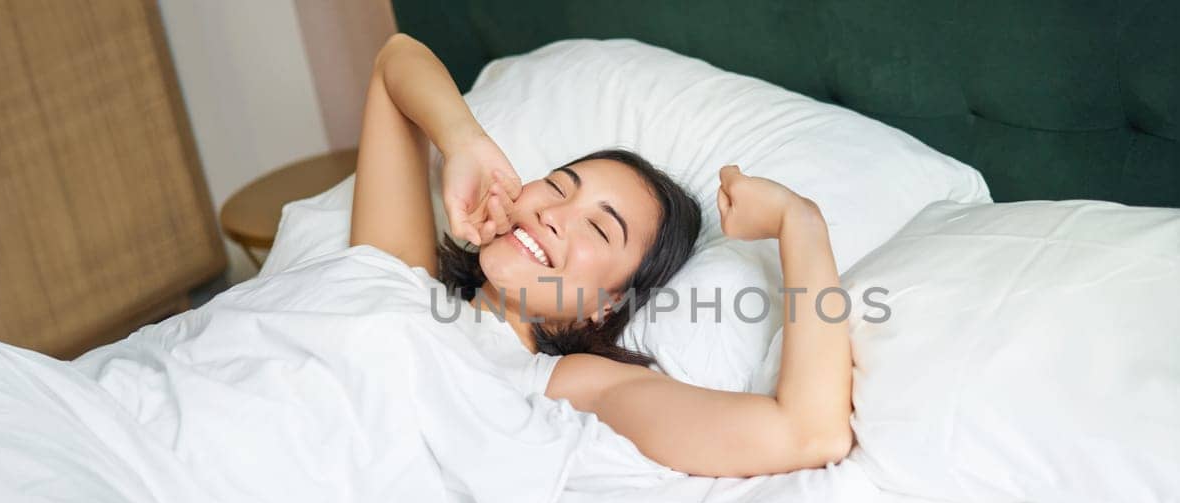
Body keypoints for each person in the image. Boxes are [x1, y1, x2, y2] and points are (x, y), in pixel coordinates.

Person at [350, 33, 852, 477]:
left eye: (597, 226)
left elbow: (808, 434)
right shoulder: (400, 279)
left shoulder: (564, 386)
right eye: (555, 186)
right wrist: (464, 143)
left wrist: (799, 222)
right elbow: (396, 58)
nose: (552, 213)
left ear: (606, 305)